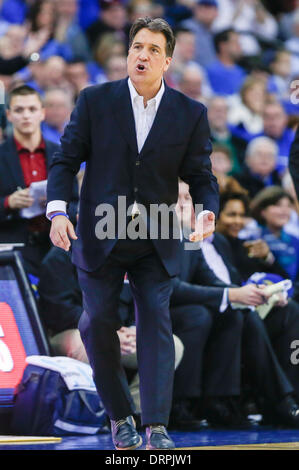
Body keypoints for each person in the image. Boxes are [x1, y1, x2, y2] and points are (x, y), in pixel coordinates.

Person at [46, 17, 219, 450]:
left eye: (153, 50)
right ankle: (121, 415)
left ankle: (156, 426)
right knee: (98, 323)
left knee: (156, 323)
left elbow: (201, 176)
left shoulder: (190, 112)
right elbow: (65, 161)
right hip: (100, 230)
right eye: (136, 47)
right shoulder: (94, 101)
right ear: (128, 54)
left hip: (156, 235)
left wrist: (206, 212)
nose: (142, 55)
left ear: (168, 61)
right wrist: (57, 211)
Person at [0, 84, 78, 277]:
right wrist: (8, 202)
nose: (26, 115)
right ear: (9, 115)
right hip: (12, 248)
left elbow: (76, 203)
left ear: (42, 113)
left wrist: (57, 205)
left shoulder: (62, 153)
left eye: (32, 109)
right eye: (19, 110)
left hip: (56, 248)